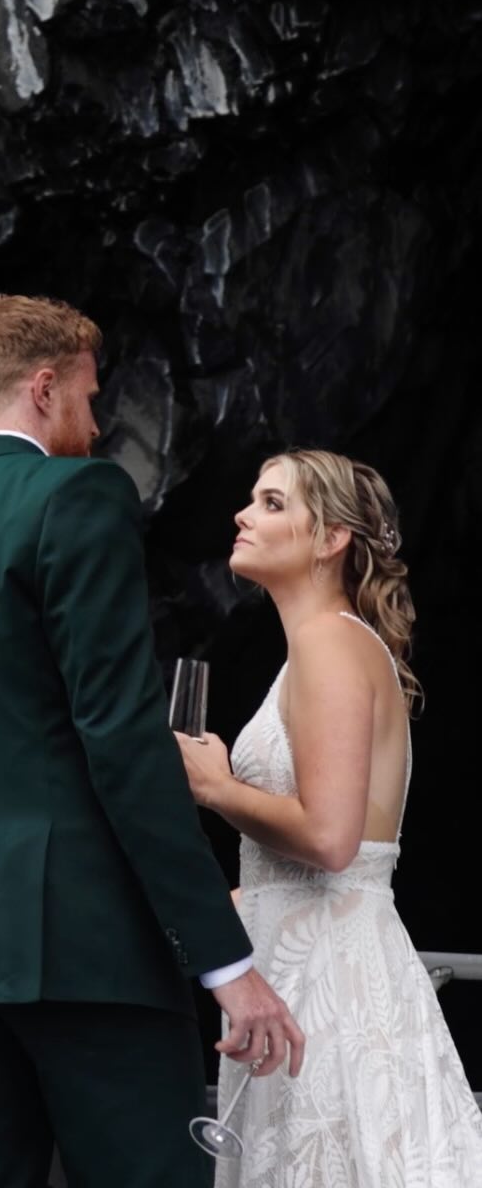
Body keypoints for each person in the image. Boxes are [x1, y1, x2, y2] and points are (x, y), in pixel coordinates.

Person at [0, 295, 303, 1188]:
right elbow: (123, 741)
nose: (95, 426)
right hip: (88, 951)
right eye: (90, 399)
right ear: (43, 389)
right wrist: (225, 963)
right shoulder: (78, 495)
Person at [177, 448, 482, 1186]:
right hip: (310, 968)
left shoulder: (331, 646)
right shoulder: (319, 649)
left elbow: (332, 839)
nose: (244, 514)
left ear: (332, 538)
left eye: (273, 502)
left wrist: (214, 787)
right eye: (252, 498)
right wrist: (223, 910)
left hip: (333, 993)